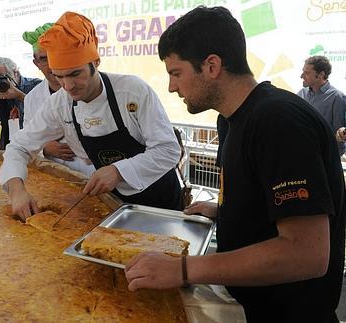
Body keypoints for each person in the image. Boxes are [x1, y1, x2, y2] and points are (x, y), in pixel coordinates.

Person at [124, 6, 345, 323]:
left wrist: (183, 270)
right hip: (250, 307)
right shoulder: (230, 121)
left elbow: (306, 254)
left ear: (211, 66)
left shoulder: (278, 121)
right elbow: (268, 202)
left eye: (176, 73)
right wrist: (226, 211)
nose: (172, 87)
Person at [0, 12, 182, 220]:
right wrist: (16, 190)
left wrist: (118, 171)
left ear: (95, 62)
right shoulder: (60, 103)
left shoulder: (132, 91)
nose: (67, 86)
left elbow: (168, 149)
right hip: (114, 205)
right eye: (59, 76)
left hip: (160, 201)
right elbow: (19, 146)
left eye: (75, 74)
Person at [22, 23, 94, 177]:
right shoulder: (32, 98)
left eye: (53, 56)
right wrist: (45, 148)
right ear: (36, 62)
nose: (51, 64)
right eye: (43, 58)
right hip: (53, 176)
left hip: (92, 174)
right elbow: (27, 140)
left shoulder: (87, 89)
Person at [0, 57, 41, 149]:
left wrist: (19, 96)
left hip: (36, 147)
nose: (0, 82)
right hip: (11, 148)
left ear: (15, 72)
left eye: (3, 77)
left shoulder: (36, 86)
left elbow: (47, 112)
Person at [297, 55, 346, 156]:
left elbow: (340, 136)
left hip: (324, 159)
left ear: (321, 74)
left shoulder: (337, 97)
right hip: (301, 154)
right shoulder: (301, 94)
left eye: (307, 72)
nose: (302, 76)